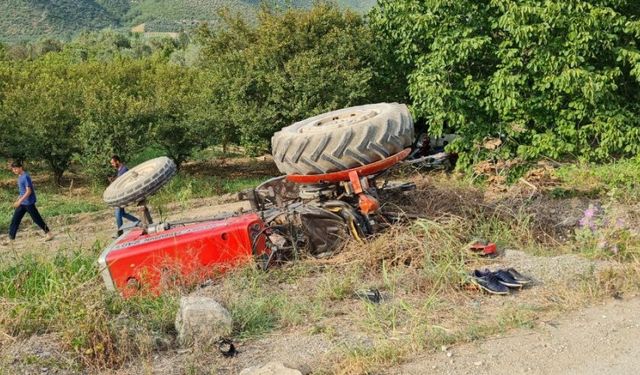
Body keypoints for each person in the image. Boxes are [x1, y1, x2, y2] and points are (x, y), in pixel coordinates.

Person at [6, 160, 54, 243]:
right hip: (23, 203)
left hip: (28, 203)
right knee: (15, 220)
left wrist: (20, 201)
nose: (14, 171)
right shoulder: (20, 176)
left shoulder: (25, 177)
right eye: (13, 169)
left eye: (16, 169)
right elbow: (22, 191)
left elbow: (29, 191)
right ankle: (11, 239)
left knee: (37, 219)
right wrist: (18, 199)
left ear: (20, 167)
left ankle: (49, 234)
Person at [110, 155, 140, 236]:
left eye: (113, 163)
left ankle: (120, 231)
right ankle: (138, 222)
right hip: (121, 194)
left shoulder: (124, 169)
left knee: (117, 212)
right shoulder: (120, 170)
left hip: (122, 195)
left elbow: (122, 183)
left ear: (117, 161)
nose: (112, 165)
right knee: (122, 213)